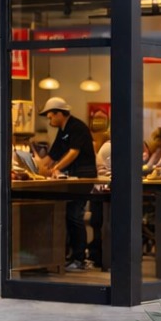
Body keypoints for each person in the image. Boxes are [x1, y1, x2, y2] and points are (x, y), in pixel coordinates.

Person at [36, 96, 100, 270]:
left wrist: (55, 168)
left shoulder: (76, 127)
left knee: (74, 216)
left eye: (50, 117)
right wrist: (38, 167)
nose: (49, 120)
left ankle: (79, 259)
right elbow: (53, 154)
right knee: (70, 216)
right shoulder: (63, 130)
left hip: (84, 177)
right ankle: (71, 256)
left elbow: (73, 152)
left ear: (59, 114)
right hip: (73, 179)